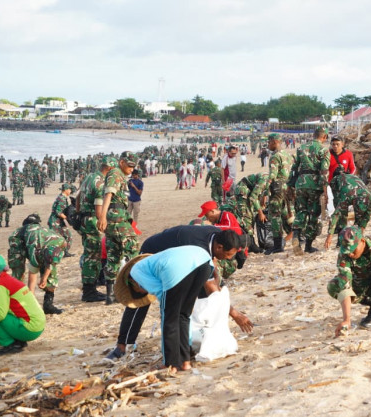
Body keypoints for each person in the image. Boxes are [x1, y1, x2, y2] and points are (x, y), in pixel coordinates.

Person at [105, 226, 252, 364]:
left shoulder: (220, 237)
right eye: (227, 255)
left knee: (186, 306)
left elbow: (214, 283)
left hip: (180, 260)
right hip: (155, 253)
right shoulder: (201, 247)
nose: (227, 258)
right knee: (145, 301)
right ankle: (122, 345)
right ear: (219, 247)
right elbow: (210, 286)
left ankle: (184, 348)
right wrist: (234, 314)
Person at [0, 254, 46, 356]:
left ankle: (10, 344)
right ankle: (18, 340)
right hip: (37, 324)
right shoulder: (8, 279)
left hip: (30, 329)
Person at [97, 151, 141, 304]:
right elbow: (108, 195)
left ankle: (110, 295)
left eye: (133, 166)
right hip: (117, 216)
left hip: (115, 216)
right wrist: (102, 217)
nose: (131, 169)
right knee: (133, 247)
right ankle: (136, 287)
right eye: (129, 165)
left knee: (114, 255)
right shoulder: (115, 173)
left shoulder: (120, 175)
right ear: (121, 162)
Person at [75, 156, 116, 302]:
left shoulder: (89, 177)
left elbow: (78, 196)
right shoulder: (101, 183)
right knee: (93, 257)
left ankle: (89, 290)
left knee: (88, 254)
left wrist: (79, 213)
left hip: (85, 220)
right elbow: (99, 211)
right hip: (93, 221)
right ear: (110, 169)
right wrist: (103, 223)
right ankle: (89, 292)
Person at [11, 218, 68, 315]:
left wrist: (44, 278)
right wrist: (31, 302)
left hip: (42, 242)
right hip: (18, 238)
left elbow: (51, 263)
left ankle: (48, 305)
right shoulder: (35, 251)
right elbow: (32, 276)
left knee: (52, 272)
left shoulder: (61, 242)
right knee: (18, 272)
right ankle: (16, 304)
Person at [288, 127, 330, 254]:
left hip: (300, 183)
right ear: (324, 137)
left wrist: (290, 185)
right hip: (314, 184)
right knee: (313, 214)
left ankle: (296, 235)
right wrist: (325, 190)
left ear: (314, 135)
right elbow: (324, 171)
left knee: (301, 210)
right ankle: (308, 245)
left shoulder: (301, 148)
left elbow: (294, 168)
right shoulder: (323, 149)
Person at [324, 168, 371, 250]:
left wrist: (359, 234)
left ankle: (353, 237)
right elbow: (335, 216)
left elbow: (366, 218)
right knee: (342, 214)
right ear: (353, 202)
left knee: (360, 219)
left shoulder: (369, 197)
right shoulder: (346, 196)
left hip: (354, 191)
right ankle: (340, 240)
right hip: (343, 189)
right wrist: (330, 236)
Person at [263, 133, 294, 254]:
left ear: (275, 142)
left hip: (278, 187)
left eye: (269, 142)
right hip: (288, 187)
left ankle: (277, 245)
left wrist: (266, 191)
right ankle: (297, 236)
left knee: (275, 215)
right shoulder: (287, 155)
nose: (268, 145)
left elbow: (272, 175)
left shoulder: (275, 156)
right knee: (287, 212)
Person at [47, 183, 74, 256]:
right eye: (69, 190)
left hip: (58, 221)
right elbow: (58, 212)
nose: (70, 191)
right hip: (55, 222)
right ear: (66, 190)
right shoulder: (62, 199)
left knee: (67, 236)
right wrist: (67, 218)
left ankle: (64, 252)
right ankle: (56, 253)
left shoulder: (62, 197)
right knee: (59, 238)